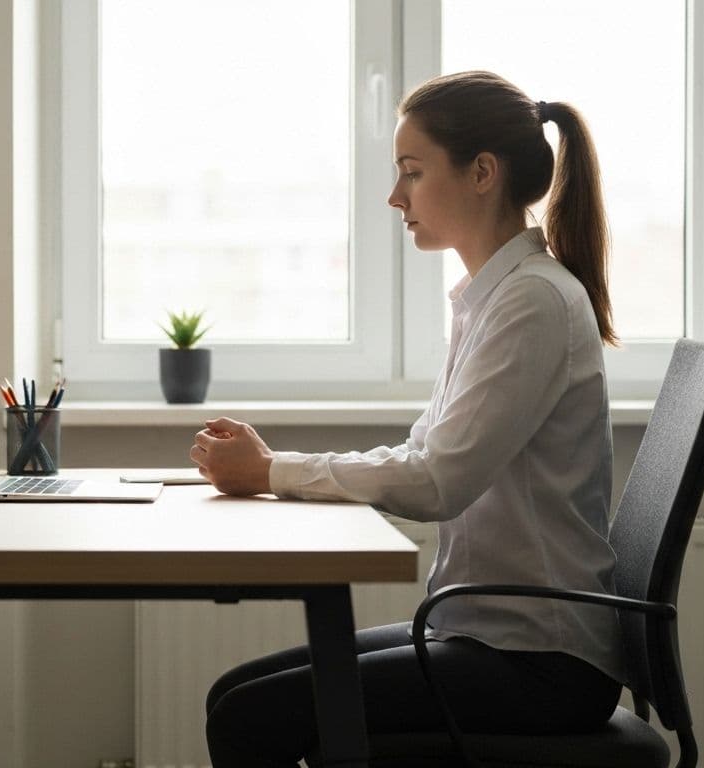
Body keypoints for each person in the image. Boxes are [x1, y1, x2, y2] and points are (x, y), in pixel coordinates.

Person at [191, 70, 626, 767]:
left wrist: (271, 471)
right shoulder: (495, 298)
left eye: (412, 173)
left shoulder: (533, 304)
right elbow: (425, 453)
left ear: (482, 172)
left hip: (542, 662)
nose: (396, 197)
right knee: (234, 695)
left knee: (250, 717)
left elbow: (436, 483)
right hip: (491, 633)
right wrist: (272, 468)